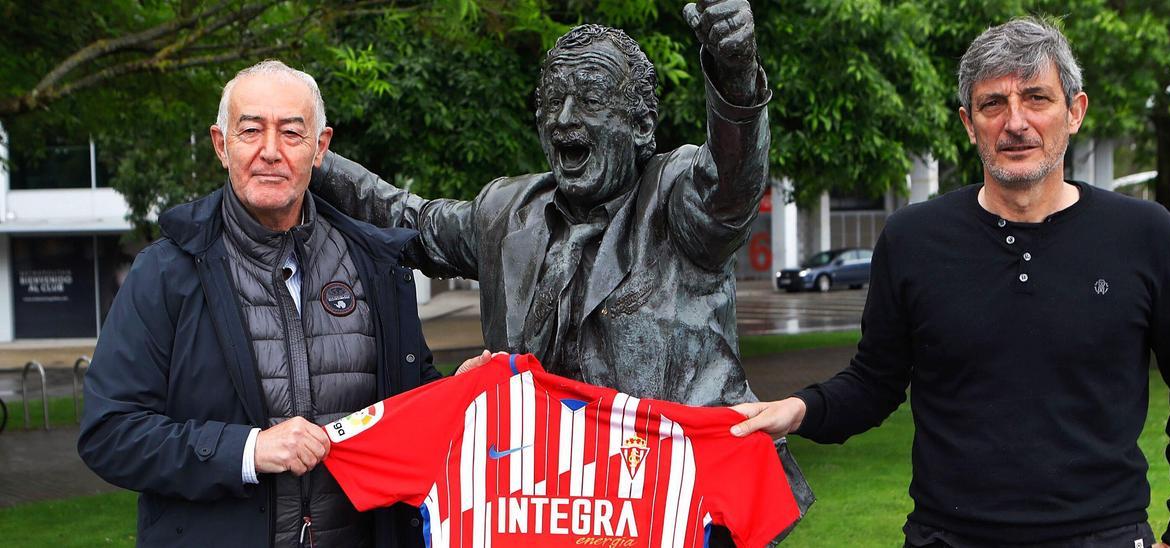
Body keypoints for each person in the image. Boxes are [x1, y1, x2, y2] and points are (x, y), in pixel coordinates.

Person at [307, 0, 814, 531]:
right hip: (538, 509)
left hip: (680, 510)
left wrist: (734, 77)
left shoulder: (678, 198)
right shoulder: (505, 211)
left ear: (642, 124)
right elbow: (405, 218)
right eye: (553, 101)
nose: (565, 117)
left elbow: (731, 178)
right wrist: (308, 157)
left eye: (591, 98)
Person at [729, 17, 1170, 548]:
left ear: (1075, 112)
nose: (1016, 122)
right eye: (994, 104)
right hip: (948, 536)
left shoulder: (1145, 236)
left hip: (1102, 532)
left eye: (1037, 98)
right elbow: (875, 382)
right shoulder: (913, 239)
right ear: (970, 124)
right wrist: (799, 410)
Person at [77, 60, 467, 547]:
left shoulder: (375, 264)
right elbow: (110, 433)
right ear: (222, 145)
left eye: (291, 133)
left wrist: (460, 393)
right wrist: (248, 449)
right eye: (251, 130)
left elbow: (404, 407)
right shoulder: (166, 271)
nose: (270, 152)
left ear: (320, 148)